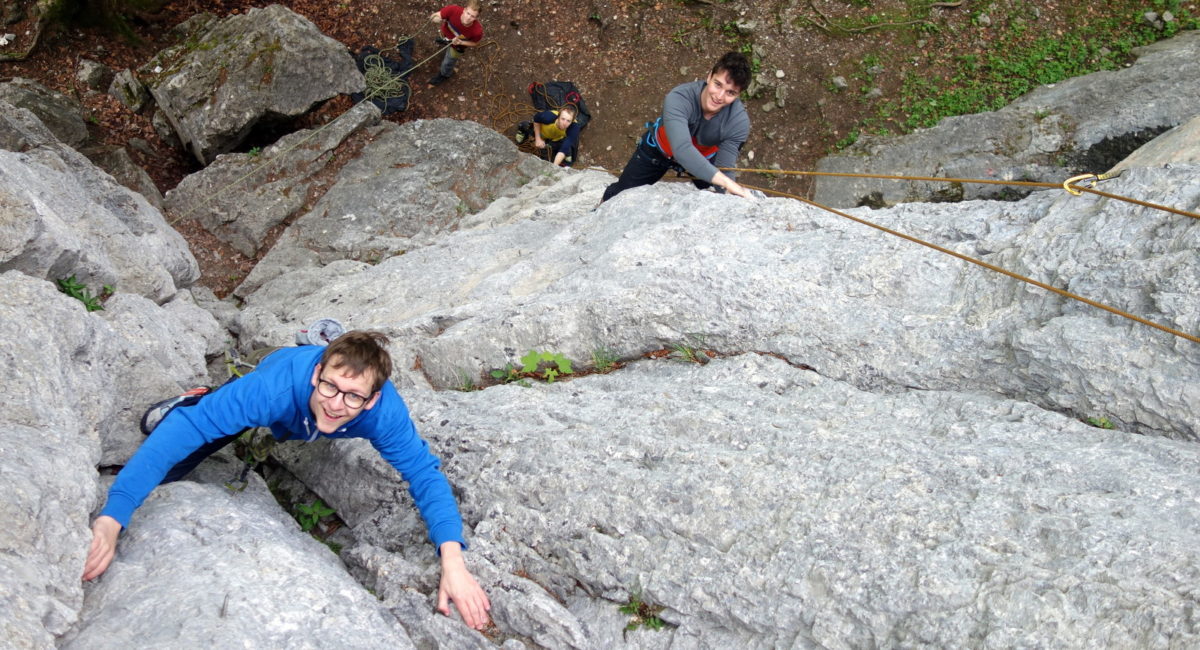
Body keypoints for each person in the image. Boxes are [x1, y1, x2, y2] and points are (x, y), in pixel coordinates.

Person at [82, 331, 492, 630]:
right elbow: (185, 432)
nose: (336, 402)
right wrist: (113, 516)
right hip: (275, 375)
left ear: (373, 399)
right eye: (330, 385)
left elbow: (424, 474)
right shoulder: (274, 389)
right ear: (317, 374)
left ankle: (321, 337)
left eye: (353, 395)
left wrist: (452, 561)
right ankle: (199, 395)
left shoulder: (384, 414)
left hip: (298, 409)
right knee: (176, 464)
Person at [601, 52, 753, 203]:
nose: (719, 96)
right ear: (709, 77)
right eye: (717, 84)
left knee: (721, 191)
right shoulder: (680, 98)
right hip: (658, 152)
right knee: (620, 193)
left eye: (730, 93)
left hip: (703, 158)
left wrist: (731, 196)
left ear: (738, 95)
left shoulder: (738, 122)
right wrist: (727, 182)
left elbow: (725, 167)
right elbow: (682, 148)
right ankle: (597, 213)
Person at [427, 1, 484, 87]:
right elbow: (437, 15)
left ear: (476, 18)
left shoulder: (477, 31)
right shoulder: (453, 10)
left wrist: (461, 42)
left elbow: (475, 43)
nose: (468, 18)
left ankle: (444, 74)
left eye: (472, 16)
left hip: (457, 46)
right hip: (445, 35)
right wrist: (436, 17)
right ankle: (445, 41)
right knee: (444, 39)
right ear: (464, 10)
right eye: (468, 13)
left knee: (448, 62)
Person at [517, 103, 582, 167]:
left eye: (568, 121)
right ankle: (522, 129)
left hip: (556, 138)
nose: (564, 123)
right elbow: (536, 119)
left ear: (572, 121)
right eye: (563, 119)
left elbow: (565, 147)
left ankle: (567, 152)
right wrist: (538, 138)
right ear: (558, 116)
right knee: (526, 126)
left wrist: (553, 167)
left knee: (567, 145)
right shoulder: (549, 117)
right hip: (542, 132)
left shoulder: (574, 127)